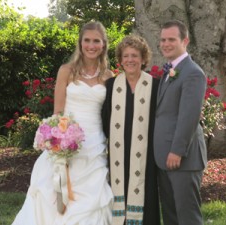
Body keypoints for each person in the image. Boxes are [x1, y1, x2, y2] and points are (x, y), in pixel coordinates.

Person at [12, 21, 114, 225]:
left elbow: (110, 113)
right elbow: (57, 112)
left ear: (103, 45)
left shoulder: (108, 76)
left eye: (96, 41)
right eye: (87, 40)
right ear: (80, 42)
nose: (91, 46)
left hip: (94, 144)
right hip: (66, 138)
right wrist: (59, 142)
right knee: (55, 193)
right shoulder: (66, 70)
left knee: (92, 196)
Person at [102, 35, 161, 225]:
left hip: (146, 153)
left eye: (135, 55)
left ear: (143, 59)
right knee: (119, 191)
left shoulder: (155, 86)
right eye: (126, 56)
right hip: (118, 153)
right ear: (120, 60)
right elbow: (104, 119)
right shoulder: (111, 86)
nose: (130, 60)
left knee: (146, 193)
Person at [153, 20, 207, 225]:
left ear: (185, 41)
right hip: (164, 157)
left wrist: (177, 150)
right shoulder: (170, 71)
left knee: (187, 216)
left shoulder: (193, 73)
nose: (166, 44)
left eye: (171, 39)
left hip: (182, 158)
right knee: (171, 215)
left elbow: (189, 116)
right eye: (163, 39)